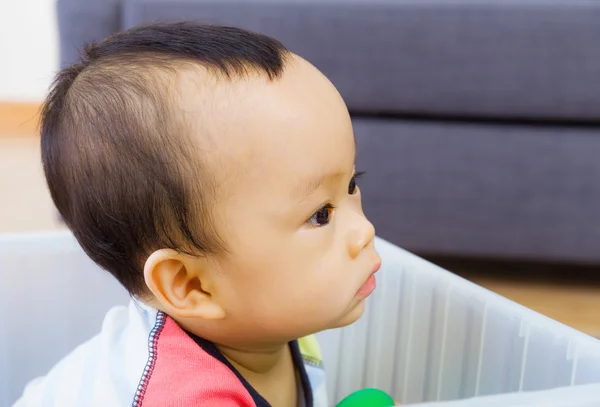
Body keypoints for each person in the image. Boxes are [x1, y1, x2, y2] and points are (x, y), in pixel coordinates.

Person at [16, 22, 380, 407]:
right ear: (191, 285)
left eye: (352, 183)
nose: (365, 230)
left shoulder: (269, 317)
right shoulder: (183, 396)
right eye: (320, 214)